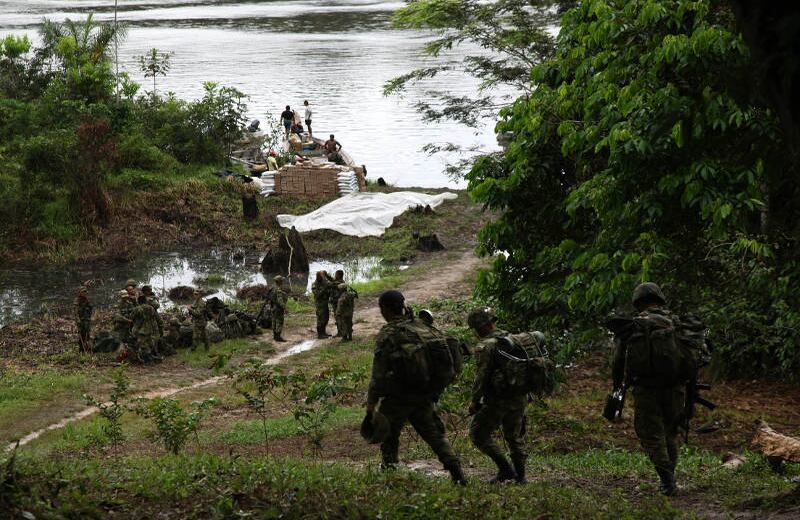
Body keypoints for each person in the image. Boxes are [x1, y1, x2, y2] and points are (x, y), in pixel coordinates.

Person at [365, 290, 467, 484]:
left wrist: (371, 405)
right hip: (425, 393)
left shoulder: (389, 333)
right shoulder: (423, 326)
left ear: (384, 308)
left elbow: (378, 375)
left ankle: (389, 473)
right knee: (434, 435)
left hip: (399, 397)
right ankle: (457, 473)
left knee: (389, 434)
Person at [610, 282, 699, 496]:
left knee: (651, 434)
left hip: (645, 388)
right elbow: (694, 358)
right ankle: (670, 478)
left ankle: (667, 480)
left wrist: (617, 387)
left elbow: (618, 361)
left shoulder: (633, 325)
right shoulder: (676, 323)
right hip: (676, 388)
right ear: (659, 300)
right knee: (670, 432)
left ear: (638, 302)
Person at [466, 308, 529, 484]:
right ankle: (521, 477)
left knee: (478, 434)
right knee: (513, 437)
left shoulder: (487, 345)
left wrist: (475, 401)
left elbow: (482, 376)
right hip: (519, 396)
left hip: (498, 400)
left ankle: (506, 470)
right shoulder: (513, 339)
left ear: (480, 327)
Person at [131, 295, 161, 363]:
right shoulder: (151, 308)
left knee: (141, 344)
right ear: (145, 301)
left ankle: (146, 358)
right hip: (150, 328)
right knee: (151, 343)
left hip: (141, 329)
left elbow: (132, 317)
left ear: (138, 301)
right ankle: (155, 355)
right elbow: (154, 317)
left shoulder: (137, 309)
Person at [312, 270, 333, 339]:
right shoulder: (314, 284)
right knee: (320, 319)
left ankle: (324, 332)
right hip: (319, 304)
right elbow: (317, 295)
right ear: (318, 277)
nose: (323, 278)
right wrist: (324, 288)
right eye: (321, 276)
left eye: (323, 276)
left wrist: (327, 276)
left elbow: (332, 282)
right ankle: (320, 334)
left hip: (325, 303)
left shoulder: (324, 281)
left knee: (326, 318)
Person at [74, 286, 93, 352]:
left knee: (88, 334)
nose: (84, 293)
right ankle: (81, 349)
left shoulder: (87, 300)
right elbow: (76, 312)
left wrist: (89, 316)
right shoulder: (77, 300)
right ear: (80, 292)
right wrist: (78, 321)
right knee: (82, 335)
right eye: (83, 292)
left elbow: (90, 309)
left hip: (87, 320)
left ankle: (88, 348)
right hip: (81, 320)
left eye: (85, 292)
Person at [270, 275, 288, 342]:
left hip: (273, 307)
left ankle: (275, 336)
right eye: (282, 281)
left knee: (274, 321)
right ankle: (278, 337)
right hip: (278, 308)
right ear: (280, 282)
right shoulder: (278, 290)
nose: (283, 282)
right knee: (279, 322)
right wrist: (285, 308)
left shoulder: (272, 288)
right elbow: (280, 301)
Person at [328, 270, 345, 337]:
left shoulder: (340, 283)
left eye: (336, 274)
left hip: (337, 303)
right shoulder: (339, 281)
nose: (335, 275)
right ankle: (341, 331)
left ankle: (340, 332)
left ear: (338, 275)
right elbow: (332, 280)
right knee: (338, 317)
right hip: (335, 303)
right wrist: (326, 275)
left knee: (338, 317)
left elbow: (331, 284)